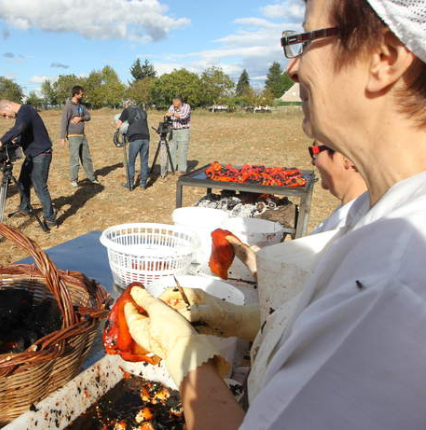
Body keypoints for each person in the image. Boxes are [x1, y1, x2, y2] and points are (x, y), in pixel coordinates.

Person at [123, 0, 426, 428]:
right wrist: (241, 319)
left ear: (384, 58)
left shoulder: (393, 283)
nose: (293, 68)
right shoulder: (374, 211)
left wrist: (186, 355)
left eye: (304, 40)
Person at [0, 99, 57, 228]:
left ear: (8, 106)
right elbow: (25, 133)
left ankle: (50, 220)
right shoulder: (23, 114)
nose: (7, 118)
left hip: (41, 154)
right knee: (23, 182)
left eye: (5, 115)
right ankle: (24, 208)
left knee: (40, 187)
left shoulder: (26, 111)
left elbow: (19, 128)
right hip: (32, 154)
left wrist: (0, 142)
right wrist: (15, 142)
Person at [309, 140, 367, 233]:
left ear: (347, 158)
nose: (314, 162)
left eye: (316, 152)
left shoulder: (353, 226)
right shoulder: (351, 212)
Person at [59, 85, 99, 187]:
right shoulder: (68, 107)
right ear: (76, 94)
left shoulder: (82, 106)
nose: (83, 95)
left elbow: (88, 116)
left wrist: (80, 118)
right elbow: (64, 122)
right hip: (73, 136)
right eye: (81, 94)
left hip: (82, 136)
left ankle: (91, 178)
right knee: (74, 158)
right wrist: (62, 137)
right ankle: (73, 180)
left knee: (86, 158)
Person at [115, 99, 150, 190]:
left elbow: (118, 125)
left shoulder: (127, 110)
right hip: (146, 137)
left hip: (135, 138)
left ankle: (130, 183)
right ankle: (143, 184)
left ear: (126, 105)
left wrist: (119, 128)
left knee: (131, 162)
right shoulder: (143, 111)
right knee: (144, 161)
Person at [165, 96, 191, 175]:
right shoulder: (172, 107)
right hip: (173, 131)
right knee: (171, 149)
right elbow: (168, 115)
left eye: (174, 103)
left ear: (179, 102)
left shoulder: (186, 106)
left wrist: (172, 114)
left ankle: (182, 169)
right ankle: (170, 168)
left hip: (183, 130)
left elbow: (183, 116)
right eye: (173, 103)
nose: (173, 104)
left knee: (182, 150)